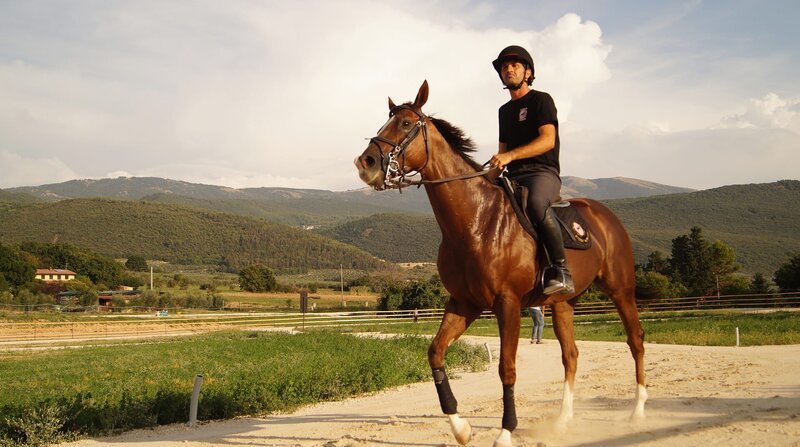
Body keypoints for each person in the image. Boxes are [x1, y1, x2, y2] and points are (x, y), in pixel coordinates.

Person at [489, 45, 574, 295]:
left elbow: (548, 140)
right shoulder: (504, 112)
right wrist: (484, 179)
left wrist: (511, 155)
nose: (508, 69)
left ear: (528, 72)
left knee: (536, 203)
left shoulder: (541, 100)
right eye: (504, 66)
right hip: (512, 177)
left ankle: (561, 270)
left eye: (515, 64)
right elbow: (502, 152)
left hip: (542, 173)